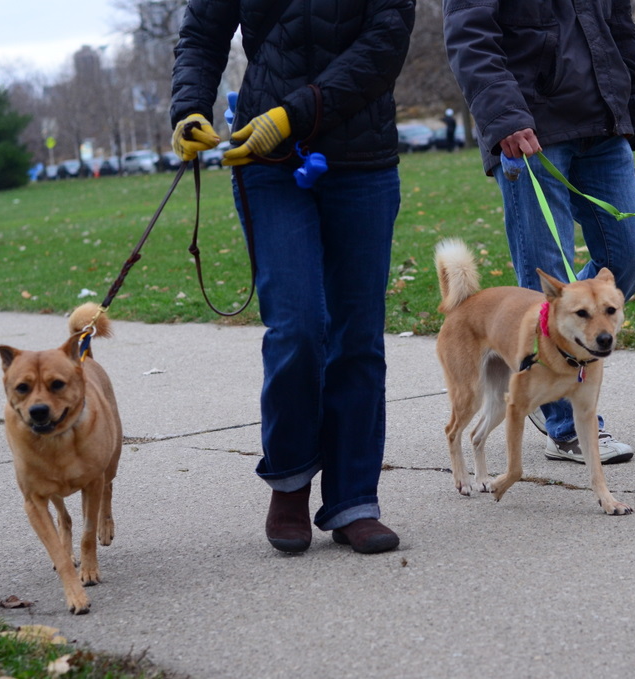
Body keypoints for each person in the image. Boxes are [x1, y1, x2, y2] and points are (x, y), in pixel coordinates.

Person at [170, 0, 416, 555]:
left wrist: (294, 115)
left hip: (361, 158)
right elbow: (204, 33)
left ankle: (355, 500)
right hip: (267, 163)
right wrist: (188, 108)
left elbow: (384, 44)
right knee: (297, 326)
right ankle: (289, 482)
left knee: (357, 336)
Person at [443, 0, 635, 465]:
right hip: (531, 131)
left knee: (629, 259)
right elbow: (469, 34)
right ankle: (564, 424)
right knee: (544, 275)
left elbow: (620, 31)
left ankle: (549, 358)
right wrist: (505, 116)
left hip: (604, 126)